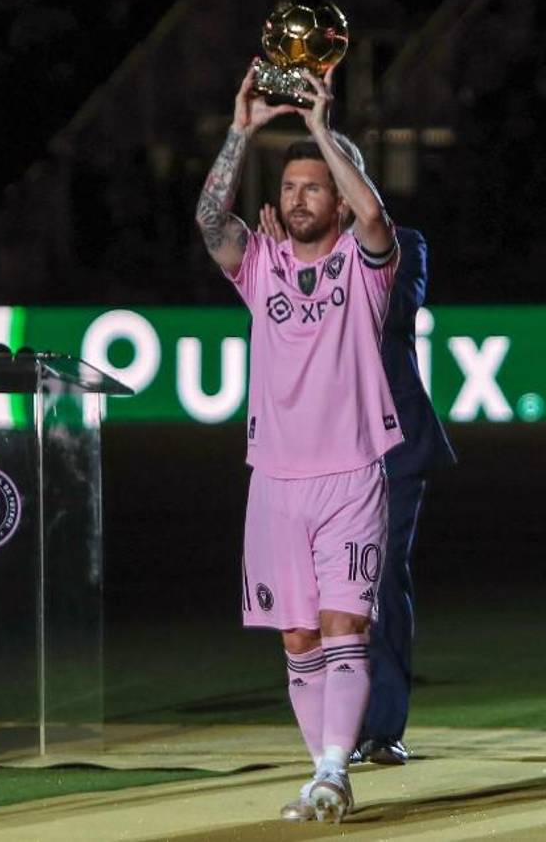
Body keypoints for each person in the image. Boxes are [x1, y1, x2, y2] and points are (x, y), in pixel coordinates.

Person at [194, 60, 402, 824]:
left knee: (348, 628)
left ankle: (334, 770)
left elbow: (375, 216)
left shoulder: (365, 266)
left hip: (352, 474)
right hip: (274, 482)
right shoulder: (261, 264)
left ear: (336, 201)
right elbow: (210, 223)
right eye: (289, 188)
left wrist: (320, 127)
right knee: (298, 637)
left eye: (314, 188)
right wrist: (240, 132)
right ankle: (323, 775)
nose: (299, 198)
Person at [260, 206, 456, 766]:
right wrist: (282, 266)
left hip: (389, 447)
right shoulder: (291, 255)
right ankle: (334, 731)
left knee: (380, 578)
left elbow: (389, 314)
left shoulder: (404, 243)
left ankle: (382, 728)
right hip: (312, 449)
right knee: (315, 592)